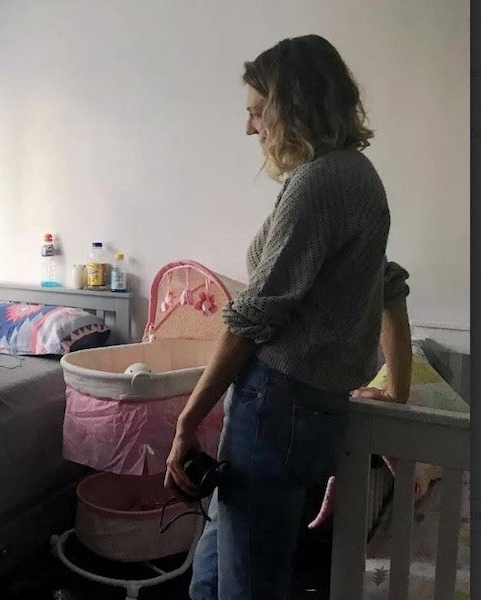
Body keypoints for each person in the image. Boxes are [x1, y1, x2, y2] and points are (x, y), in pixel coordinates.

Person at [163, 35, 412, 599]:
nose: (251, 129)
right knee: (213, 569)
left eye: (256, 111)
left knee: (247, 584)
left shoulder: (320, 183)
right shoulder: (357, 175)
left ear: (290, 104)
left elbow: (255, 316)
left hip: (278, 406)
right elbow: (389, 286)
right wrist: (395, 388)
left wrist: (186, 421)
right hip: (302, 408)